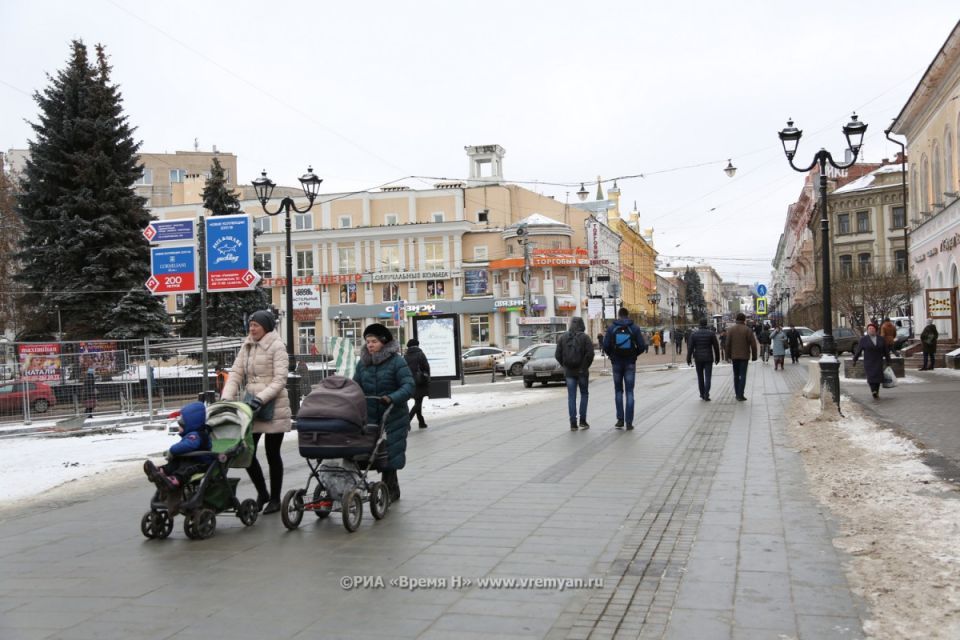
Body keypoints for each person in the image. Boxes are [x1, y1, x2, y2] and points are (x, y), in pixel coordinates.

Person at [221, 309, 291, 514]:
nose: (251, 329)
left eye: (255, 325)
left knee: (272, 453)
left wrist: (262, 398)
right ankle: (263, 493)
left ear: (266, 327)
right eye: (250, 325)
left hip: (273, 406)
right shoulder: (248, 344)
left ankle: (276, 499)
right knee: (246, 452)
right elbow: (236, 373)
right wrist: (226, 398)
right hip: (251, 406)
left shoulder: (277, 346)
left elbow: (280, 380)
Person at [354, 323, 414, 502]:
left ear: (383, 342)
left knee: (389, 453)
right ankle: (389, 488)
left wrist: (392, 397)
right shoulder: (363, 363)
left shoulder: (397, 361)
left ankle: (390, 489)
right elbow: (355, 385)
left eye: (373, 341)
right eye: (367, 341)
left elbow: (409, 385)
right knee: (371, 453)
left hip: (393, 416)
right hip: (370, 416)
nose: (370, 345)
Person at [143, 401, 213, 504]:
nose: (179, 428)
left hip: (200, 463)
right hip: (190, 459)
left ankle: (175, 479)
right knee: (175, 463)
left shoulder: (197, 435)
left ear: (190, 424)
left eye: (181, 425)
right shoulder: (191, 434)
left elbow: (188, 445)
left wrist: (172, 450)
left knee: (186, 467)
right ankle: (161, 472)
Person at [603, 308, 647, 430]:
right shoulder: (634, 328)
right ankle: (629, 422)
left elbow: (605, 346)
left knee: (618, 391)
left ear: (618, 315)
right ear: (628, 315)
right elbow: (642, 346)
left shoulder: (612, 328)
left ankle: (620, 420)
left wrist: (612, 355)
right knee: (629, 392)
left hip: (616, 363)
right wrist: (634, 355)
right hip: (630, 363)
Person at [555, 316, 595, 430]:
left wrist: (565, 365)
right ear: (582, 325)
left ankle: (573, 423)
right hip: (582, 371)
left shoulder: (563, 337)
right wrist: (585, 366)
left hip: (569, 372)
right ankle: (583, 421)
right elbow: (590, 354)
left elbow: (557, 355)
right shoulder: (585, 338)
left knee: (571, 397)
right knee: (584, 394)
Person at [852, 323, 892, 400]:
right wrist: (855, 360)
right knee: (871, 377)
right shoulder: (863, 339)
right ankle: (873, 391)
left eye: (872, 329)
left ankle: (876, 391)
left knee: (878, 378)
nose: (871, 330)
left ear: (875, 330)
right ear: (867, 330)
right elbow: (858, 350)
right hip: (869, 362)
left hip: (878, 361)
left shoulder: (881, 339)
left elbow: (886, 351)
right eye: (869, 329)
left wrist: (888, 360)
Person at [726, 312, 758, 401]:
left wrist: (727, 356)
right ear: (744, 320)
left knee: (736, 375)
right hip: (744, 356)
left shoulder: (731, 330)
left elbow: (727, 344)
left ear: (736, 319)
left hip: (734, 356)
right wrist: (754, 356)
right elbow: (753, 344)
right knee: (743, 375)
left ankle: (737, 393)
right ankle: (741, 394)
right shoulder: (747, 330)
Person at [686, 317, 720, 401]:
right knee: (708, 377)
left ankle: (702, 393)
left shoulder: (694, 334)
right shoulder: (711, 333)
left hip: (698, 358)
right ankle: (706, 394)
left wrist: (688, 358)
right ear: (706, 324)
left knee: (700, 377)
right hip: (708, 357)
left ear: (699, 324)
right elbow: (716, 347)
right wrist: (717, 357)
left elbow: (690, 347)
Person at [404, 338, 431, 429]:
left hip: (409, 381)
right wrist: (427, 377)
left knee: (417, 401)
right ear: (417, 345)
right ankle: (407, 421)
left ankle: (421, 422)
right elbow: (426, 367)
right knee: (418, 402)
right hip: (420, 381)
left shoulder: (405, 355)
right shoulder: (420, 354)